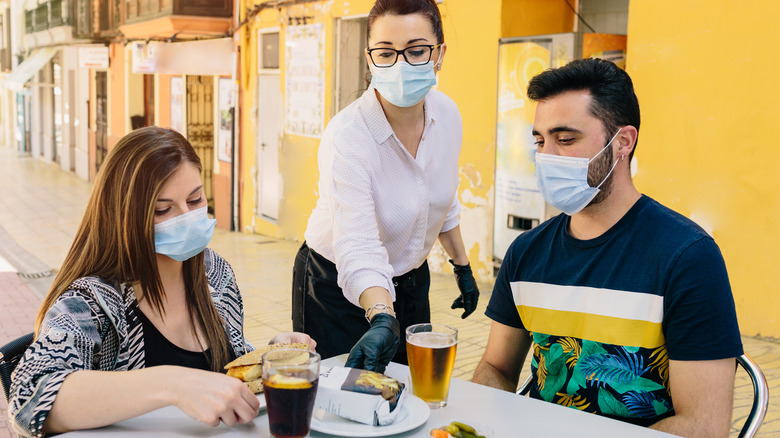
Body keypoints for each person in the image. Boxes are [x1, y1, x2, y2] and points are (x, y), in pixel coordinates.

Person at [472, 58, 743, 437]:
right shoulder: (526, 252)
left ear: (623, 142)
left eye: (565, 139)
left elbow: (703, 425)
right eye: (539, 140)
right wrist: (482, 418)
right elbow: (497, 368)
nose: (546, 156)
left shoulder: (687, 257)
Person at [8, 127, 315, 437]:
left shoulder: (215, 273)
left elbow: (227, 370)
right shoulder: (91, 304)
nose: (186, 217)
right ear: (125, 215)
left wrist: (271, 358)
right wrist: (172, 384)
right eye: (163, 210)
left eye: (195, 201)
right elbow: (27, 399)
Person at [292, 0, 479, 374]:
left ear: (439, 54)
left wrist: (463, 268)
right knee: (345, 397)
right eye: (386, 53)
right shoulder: (349, 136)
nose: (400, 64)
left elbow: (441, 200)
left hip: (410, 279)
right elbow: (358, 244)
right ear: (369, 58)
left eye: (416, 50)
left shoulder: (447, 115)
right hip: (337, 284)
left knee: (407, 392)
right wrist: (381, 317)